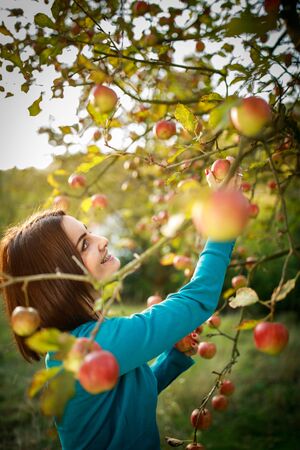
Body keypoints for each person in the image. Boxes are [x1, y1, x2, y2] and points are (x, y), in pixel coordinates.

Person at [0, 167, 243, 450]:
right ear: (61, 277)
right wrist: (223, 221)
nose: (102, 241)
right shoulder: (94, 346)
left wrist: (173, 357)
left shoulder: (83, 344)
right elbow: (198, 298)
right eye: (85, 244)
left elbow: (131, 401)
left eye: (89, 232)